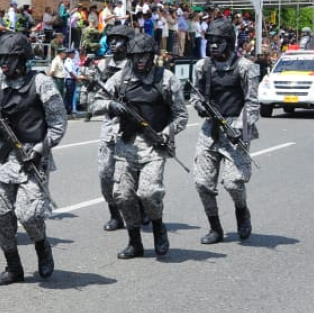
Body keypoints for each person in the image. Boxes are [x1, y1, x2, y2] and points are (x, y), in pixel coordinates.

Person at [0, 32, 67, 286]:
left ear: (22, 59)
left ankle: (42, 246)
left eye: (9, 58)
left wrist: (42, 148)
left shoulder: (41, 83)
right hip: (3, 156)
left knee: (29, 214)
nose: (4, 63)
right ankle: (13, 266)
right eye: (1, 58)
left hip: (32, 156)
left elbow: (58, 124)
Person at [96, 33, 188, 259]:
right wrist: (111, 105)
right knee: (123, 195)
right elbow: (93, 102)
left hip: (154, 146)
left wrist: (166, 133)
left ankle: (158, 228)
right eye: (135, 55)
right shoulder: (120, 79)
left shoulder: (166, 79)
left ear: (152, 56)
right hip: (126, 145)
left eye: (144, 55)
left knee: (148, 193)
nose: (139, 60)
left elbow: (181, 115)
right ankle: (134, 242)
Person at [191, 18, 260, 244]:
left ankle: (242, 212)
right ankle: (215, 228)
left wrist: (239, 128)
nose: (213, 45)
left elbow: (252, 104)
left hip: (235, 128)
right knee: (202, 183)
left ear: (229, 42)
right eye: (210, 40)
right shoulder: (202, 66)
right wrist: (199, 105)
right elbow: (195, 96)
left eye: (219, 41)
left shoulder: (245, 67)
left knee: (233, 183)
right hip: (210, 129)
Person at [84, 23, 133, 232]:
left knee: (132, 175)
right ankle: (115, 214)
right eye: (110, 39)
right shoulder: (102, 66)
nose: (113, 43)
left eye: (118, 39)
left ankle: (140, 209)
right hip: (110, 126)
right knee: (105, 173)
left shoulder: (136, 65)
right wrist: (89, 82)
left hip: (132, 127)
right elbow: (90, 102)